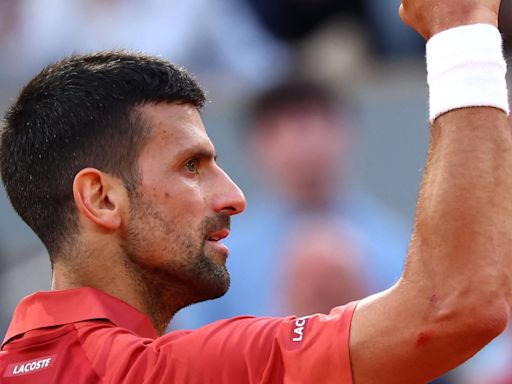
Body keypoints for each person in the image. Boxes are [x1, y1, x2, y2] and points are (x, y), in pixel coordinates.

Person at [1, 1, 512, 383]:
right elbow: (457, 306)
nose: (234, 197)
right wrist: (460, 28)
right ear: (102, 198)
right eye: (192, 166)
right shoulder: (167, 371)